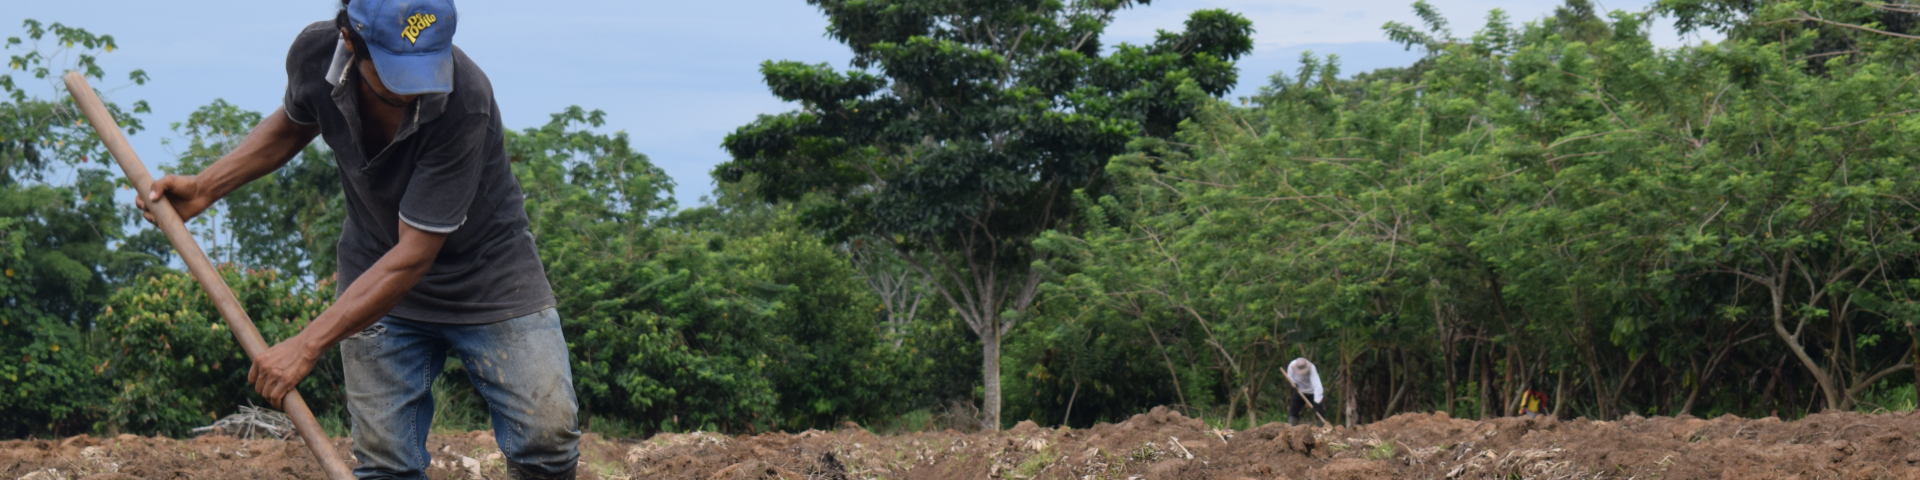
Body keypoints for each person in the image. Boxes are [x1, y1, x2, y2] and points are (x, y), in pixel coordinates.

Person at [135, 0, 579, 478]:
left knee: (547, 440)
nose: (415, 89)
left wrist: (304, 346)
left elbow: (414, 254)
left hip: (492, 276)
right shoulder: (316, 53)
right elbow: (294, 123)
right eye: (395, 76)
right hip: (376, 273)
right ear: (350, 40)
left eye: (426, 67)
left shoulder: (465, 98)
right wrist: (205, 187)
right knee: (386, 461)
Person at [1287, 357, 1325, 426]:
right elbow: (1289, 376)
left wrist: (1317, 401)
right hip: (1299, 391)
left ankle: (1323, 429)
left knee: (1319, 412)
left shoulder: (1312, 368)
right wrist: (1293, 383)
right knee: (1293, 410)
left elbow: (1317, 385)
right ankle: (1291, 427)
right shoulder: (1291, 366)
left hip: (1312, 392)